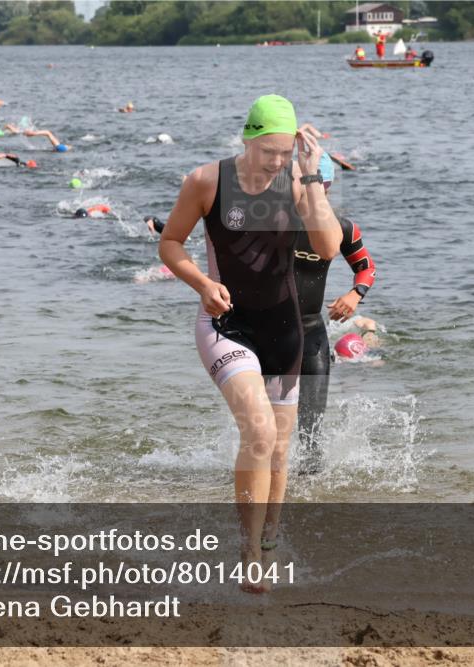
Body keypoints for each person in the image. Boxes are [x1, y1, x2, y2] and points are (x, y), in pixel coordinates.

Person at [159, 95, 341, 592]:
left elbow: (328, 247)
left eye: (285, 152)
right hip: (226, 325)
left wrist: (310, 176)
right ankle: (249, 551)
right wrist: (202, 283)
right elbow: (170, 243)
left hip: (284, 330)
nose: (276, 162)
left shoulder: (298, 181)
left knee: (278, 450)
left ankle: (269, 541)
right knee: (258, 432)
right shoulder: (206, 181)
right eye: (269, 152)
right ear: (247, 139)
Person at [293, 151, 377, 474]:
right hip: (270, 330)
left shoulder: (341, 228)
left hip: (311, 331)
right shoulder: (276, 222)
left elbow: (366, 267)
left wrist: (355, 294)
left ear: (325, 186)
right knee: (263, 423)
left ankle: (309, 493)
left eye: (319, 186)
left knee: (311, 432)